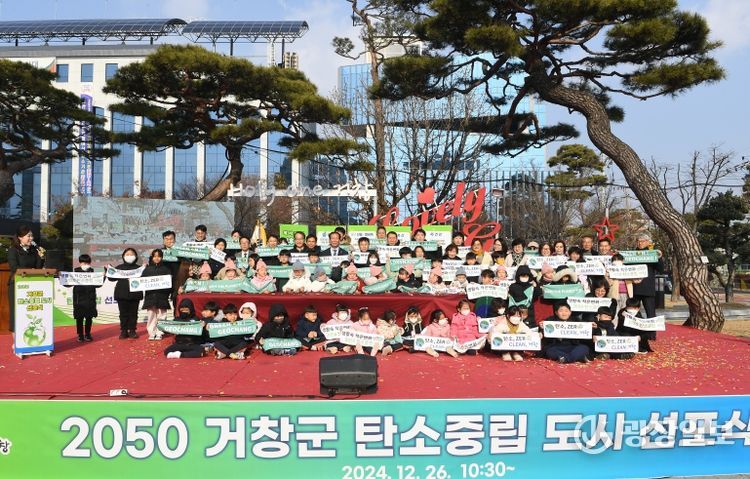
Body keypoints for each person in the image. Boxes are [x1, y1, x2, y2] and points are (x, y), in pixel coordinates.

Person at [7, 225, 45, 332]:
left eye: (32, 236)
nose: (31, 238)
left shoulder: (34, 250)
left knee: (30, 313)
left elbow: (38, 268)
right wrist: (30, 270)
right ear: (20, 237)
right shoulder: (13, 250)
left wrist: (41, 257)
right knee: (16, 312)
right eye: (28, 236)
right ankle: (16, 338)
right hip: (17, 284)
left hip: (31, 285)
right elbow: (14, 267)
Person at [631, 232, 665, 338]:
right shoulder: (632, 254)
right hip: (634, 287)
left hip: (648, 288)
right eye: (638, 241)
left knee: (650, 312)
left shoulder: (652, 253)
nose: (640, 243)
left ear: (648, 242)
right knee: (632, 312)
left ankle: (651, 335)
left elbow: (661, 269)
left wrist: (659, 257)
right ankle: (634, 332)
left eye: (643, 241)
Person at [109, 248, 144, 340]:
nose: (129, 256)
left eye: (131, 254)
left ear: (135, 256)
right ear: (123, 256)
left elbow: (145, 279)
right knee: (123, 314)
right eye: (127, 254)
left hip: (135, 294)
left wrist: (145, 268)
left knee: (133, 314)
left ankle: (132, 331)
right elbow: (111, 279)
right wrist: (109, 270)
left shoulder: (139, 268)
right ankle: (123, 331)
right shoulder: (119, 267)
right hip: (121, 293)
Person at [65, 254, 100, 342]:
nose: (85, 265)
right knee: (79, 319)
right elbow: (68, 284)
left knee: (89, 318)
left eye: (87, 263)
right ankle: (80, 335)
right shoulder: (75, 273)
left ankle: (88, 334)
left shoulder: (93, 273)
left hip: (90, 299)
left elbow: (98, 284)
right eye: (83, 263)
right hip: (79, 299)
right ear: (80, 263)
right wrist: (62, 278)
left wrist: (104, 277)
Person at [142, 249, 173, 341]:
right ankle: (152, 333)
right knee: (151, 316)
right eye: (155, 256)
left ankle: (159, 333)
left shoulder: (166, 269)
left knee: (162, 316)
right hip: (150, 296)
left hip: (162, 296)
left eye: (159, 256)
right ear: (152, 257)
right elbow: (141, 282)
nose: (157, 258)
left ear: (162, 257)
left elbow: (169, 284)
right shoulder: (147, 270)